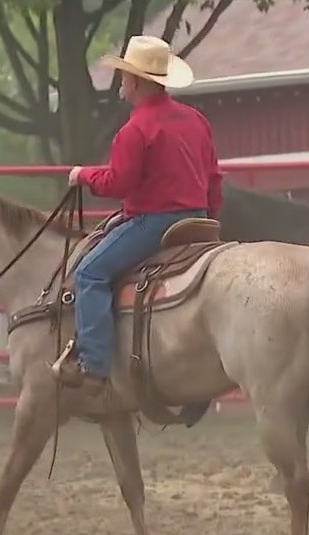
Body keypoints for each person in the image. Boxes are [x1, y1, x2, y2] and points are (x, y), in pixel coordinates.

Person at [57, 35, 223, 406]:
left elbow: (119, 183)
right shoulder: (196, 120)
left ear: (136, 82)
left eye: (124, 77)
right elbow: (214, 178)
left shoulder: (135, 130)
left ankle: (95, 366)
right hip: (196, 220)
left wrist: (83, 175)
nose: (121, 83)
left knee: (89, 273)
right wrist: (212, 221)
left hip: (155, 222)